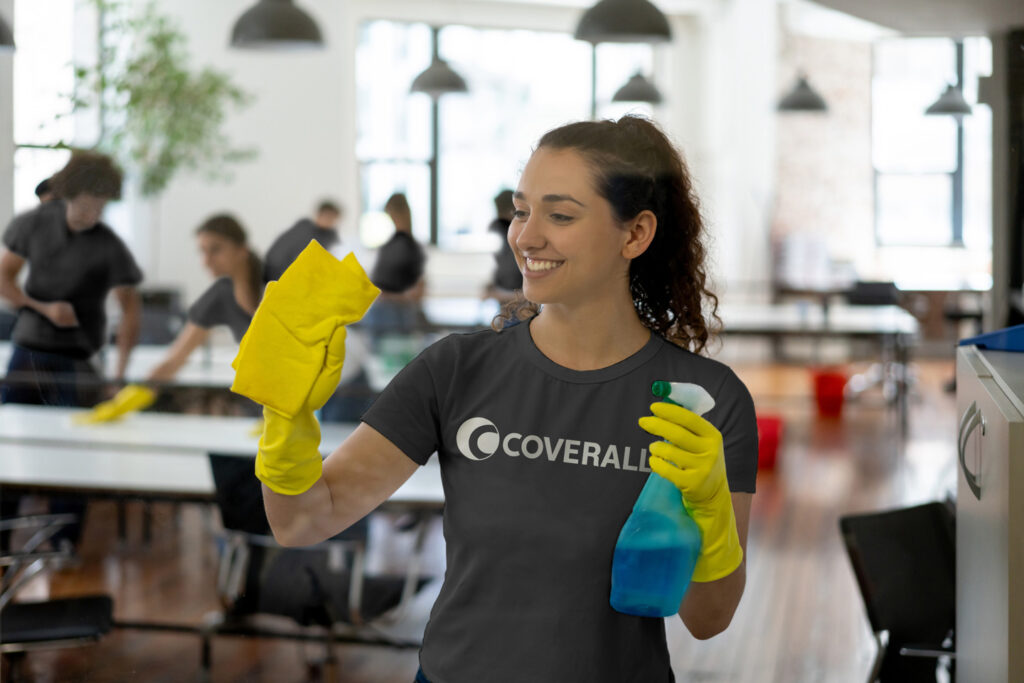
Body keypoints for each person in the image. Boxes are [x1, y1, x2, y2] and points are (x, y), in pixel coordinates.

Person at [239, 115, 757, 683]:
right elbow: (302, 521)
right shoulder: (455, 370)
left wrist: (712, 516)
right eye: (521, 210)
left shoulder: (704, 402)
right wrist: (286, 418)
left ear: (635, 234)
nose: (525, 237)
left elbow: (709, 620)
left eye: (560, 216)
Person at [0, 150, 143, 547]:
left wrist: (118, 373)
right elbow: (4, 278)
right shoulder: (33, 225)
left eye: (100, 206)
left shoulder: (108, 245)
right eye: (85, 204)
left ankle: (64, 543)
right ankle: (4, 539)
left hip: (76, 360)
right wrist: (40, 307)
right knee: (8, 442)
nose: (92, 213)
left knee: (75, 453)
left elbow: (132, 308)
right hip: (28, 352)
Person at [363, 192, 427, 337]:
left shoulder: (413, 247)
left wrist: (389, 295)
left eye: (393, 215)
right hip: (384, 311)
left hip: (397, 314)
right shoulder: (390, 246)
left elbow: (418, 291)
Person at [263, 200, 342, 283]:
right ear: (319, 214)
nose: (330, 221)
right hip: (281, 276)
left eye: (333, 219)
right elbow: (278, 257)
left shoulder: (329, 236)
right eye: (328, 217)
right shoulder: (304, 230)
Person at [483, 188, 523, 302]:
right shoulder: (499, 228)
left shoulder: (518, 233)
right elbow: (502, 263)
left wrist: (498, 294)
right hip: (507, 292)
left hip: (514, 294)